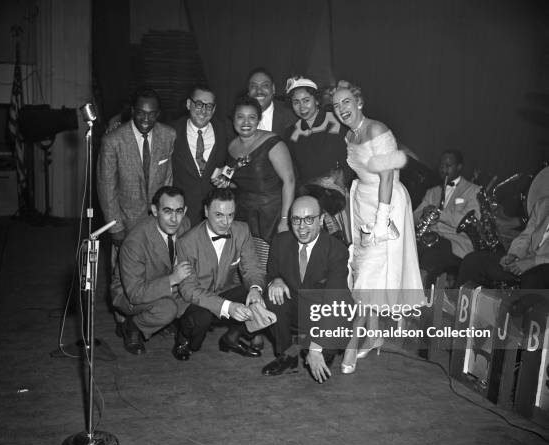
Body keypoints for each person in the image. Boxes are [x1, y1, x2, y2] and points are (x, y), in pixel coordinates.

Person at [332, 80, 424, 373]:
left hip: (387, 204)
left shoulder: (377, 129)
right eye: (336, 106)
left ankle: (353, 342)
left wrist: (382, 220)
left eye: (346, 102)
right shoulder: (349, 136)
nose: (341, 109)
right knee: (363, 270)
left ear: (359, 102)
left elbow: (387, 177)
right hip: (363, 203)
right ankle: (374, 335)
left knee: (369, 275)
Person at [97, 88, 176, 335]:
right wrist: (115, 226)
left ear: (158, 114)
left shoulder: (168, 135)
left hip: (156, 222)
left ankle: (151, 317)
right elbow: (106, 187)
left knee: (157, 270)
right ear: (132, 111)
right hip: (125, 222)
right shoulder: (113, 141)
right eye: (141, 113)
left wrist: (167, 217)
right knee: (122, 276)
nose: (145, 119)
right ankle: (123, 322)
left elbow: (169, 179)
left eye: (152, 114)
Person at [262, 196, 351, 383]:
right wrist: (276, 280)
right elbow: (271, 274)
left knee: (323, 355)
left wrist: (316, 349)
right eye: (296, 219)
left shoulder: (337, 250)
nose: (301, 227)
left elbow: (334, 304)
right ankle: (287, 355)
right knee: (272, 298)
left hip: (326, 315)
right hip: (296, 310)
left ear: (321, 220)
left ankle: (310, 347)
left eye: (309, 219)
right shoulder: (280, 241)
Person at [173, 188, 266, 361]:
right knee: (200, 322)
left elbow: (253, 268)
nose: (226, 222)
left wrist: (255, 289)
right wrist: (227, 306)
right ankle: (184, 338)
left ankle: (231, 338)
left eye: (230, 215)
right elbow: (188, 290)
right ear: (206, 211)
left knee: (262, 294)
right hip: (194, 299)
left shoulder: (242, 230)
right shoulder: (187, 242)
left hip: (224, 290)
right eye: (219, 215)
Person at [110, 186, 192, 354]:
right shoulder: (135, 242)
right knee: (167, 309)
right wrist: (173, 280)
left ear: (185, 211)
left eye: (179, 211)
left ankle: (172, 325)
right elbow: (134, 293)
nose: (174, 219)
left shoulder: (185, 224)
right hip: (130, 293)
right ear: (154, 211)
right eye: (167, 211)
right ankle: (131, 326)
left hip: (162, 282)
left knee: (202, 294)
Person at [214, 95, 295, 245]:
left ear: (258, 120)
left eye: (252, 117)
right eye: (240, 117)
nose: (246, 122)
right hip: (244, 215)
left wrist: (285, 220)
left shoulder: (272, 142)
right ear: (233, 120)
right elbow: (238, 183)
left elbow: (289, 181)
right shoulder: (231, 147)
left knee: (272, 262)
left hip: (273, 214)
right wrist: (224, 183)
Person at [283, 75, 355, 243]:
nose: (302, 107)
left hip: (340, 199)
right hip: (310, 203)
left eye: (306, 100)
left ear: (316, 99)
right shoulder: (291, 133)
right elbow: (295, 173)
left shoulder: (337, 120)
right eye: (296, 102)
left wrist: (341, 183)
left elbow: (352, 157)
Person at [413, 150, 481, 287]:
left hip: (455, 243)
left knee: (430, 254)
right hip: (431, 239)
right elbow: (413, 217)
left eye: (448, 165)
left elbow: (470, 219)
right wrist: (423, 214)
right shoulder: (432, 191)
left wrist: (440, 214)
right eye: (441, 165)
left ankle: (423, 295)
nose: (443, 168)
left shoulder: (473, 190)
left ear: (459, 167)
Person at [457, 196, 549, 288]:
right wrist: (513, 255)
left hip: (543, 267)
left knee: (533, 278)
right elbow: (526, 236)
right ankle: (461, 298)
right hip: (525, 260)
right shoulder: (542, 204)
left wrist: (533, 262)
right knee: (473, 260)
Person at [172, 85, 231, 225]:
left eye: (209, 106)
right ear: (188, 104)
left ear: (214, 109)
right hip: (181, 213)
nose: (203, 111)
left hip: (215, 213)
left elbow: (236, 159)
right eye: (199, 104)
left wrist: (228, 174)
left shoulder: (225, 130)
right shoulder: (171, 131)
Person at [247, 67, 296, 137]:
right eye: (253, 86)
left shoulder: (291, 116)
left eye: (265, 85)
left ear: (273, 89)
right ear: (248, 91)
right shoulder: (235, 120)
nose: (259, 91)